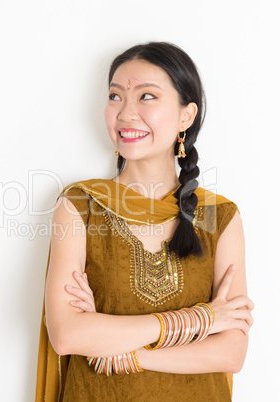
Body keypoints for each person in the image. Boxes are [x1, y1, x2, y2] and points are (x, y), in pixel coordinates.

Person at [35, 42, 254, 401]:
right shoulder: (80, 205)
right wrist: (203, 321)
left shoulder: (219, 215)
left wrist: (124, 353)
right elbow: (67, 335)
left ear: (186, 116)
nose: (125, 113)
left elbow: (231, 352)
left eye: (147, 97)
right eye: (115, 96)